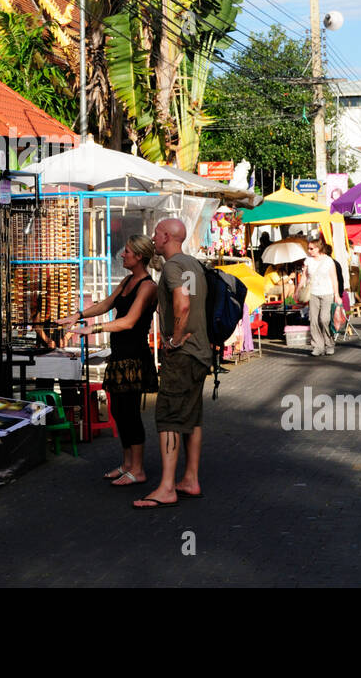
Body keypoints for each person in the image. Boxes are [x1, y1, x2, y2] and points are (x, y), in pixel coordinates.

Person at [59, 235, 158, 486]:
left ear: (138, 256)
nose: (122, 255)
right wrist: (78, 316)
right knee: (119, 411)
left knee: (131, 413)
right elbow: (105, 304)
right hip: (120, 356)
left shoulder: (147, 286)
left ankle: (138, 469)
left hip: (134, 358)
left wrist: (92, 330)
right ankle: (126, 464)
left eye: (126, 252)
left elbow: (129, 321)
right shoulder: (127, 280)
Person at [133, 218, 209, 510]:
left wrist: (175, 339)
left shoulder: (173, 266)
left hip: (183, 353)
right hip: (201, 353)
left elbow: (183, 304)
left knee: (168, 417)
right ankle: (190, 479)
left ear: (166, 236)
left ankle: (166, 487)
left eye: (156, 233)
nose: (153, 237)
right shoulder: (194, 265)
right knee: (192, 417)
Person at [300, 237, 340, 356]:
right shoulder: (308, 260)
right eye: (308, 248)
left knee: (324, 319)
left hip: (327, 293)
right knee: (313, 320)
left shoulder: (328, 261)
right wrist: (298, 289)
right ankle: (317, 346)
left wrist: (337, 294)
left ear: (318, 248)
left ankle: (329, 343)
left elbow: (334, 279)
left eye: (311, 248)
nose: (309, 250)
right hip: (313, 293)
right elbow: (304, 276)